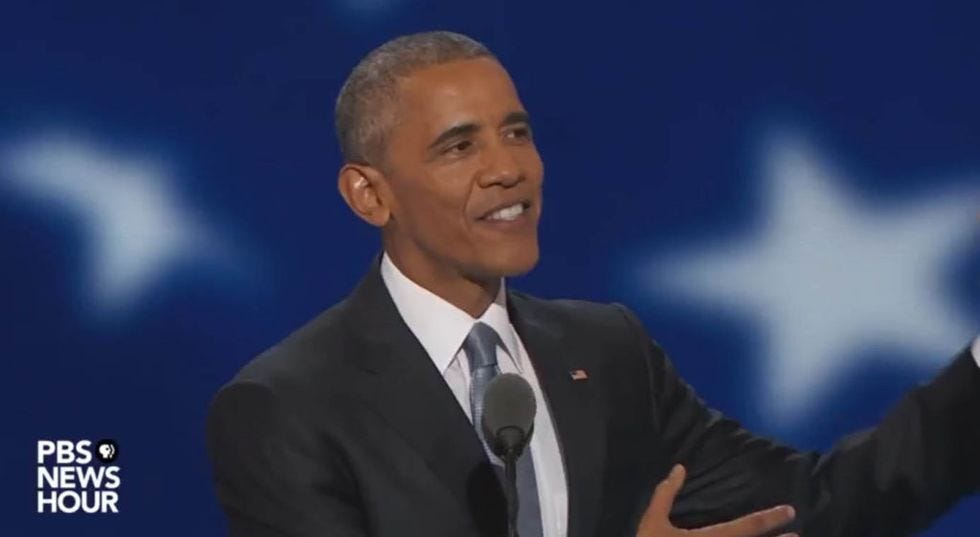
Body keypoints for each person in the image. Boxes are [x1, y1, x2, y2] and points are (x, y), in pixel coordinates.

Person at [205, 31, 980, 537]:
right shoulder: (287, 407)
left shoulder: (606, 354)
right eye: (459, 147)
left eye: (516, 132)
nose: (508, 168)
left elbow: (821, 504)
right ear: (369, 194)